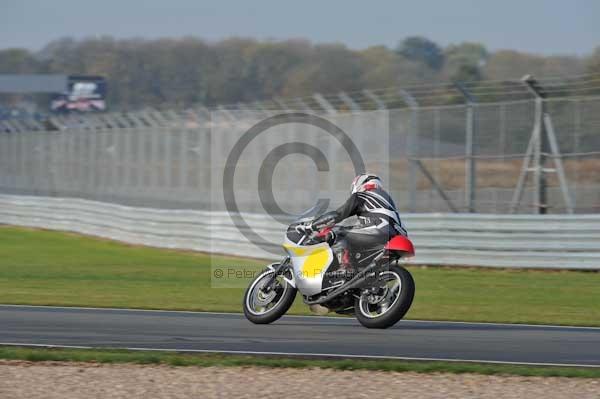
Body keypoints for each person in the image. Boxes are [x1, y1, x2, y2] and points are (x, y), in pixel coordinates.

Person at [312, 173, 407, 273]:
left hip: (379, 229)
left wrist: (315, 224)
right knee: (352, 234)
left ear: (359, 184)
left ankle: (345, 266)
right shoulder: (386, 199)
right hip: (397, 234)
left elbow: (339, 214)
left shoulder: (361, 196)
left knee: (336, 231)